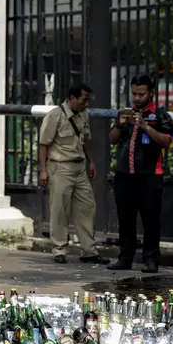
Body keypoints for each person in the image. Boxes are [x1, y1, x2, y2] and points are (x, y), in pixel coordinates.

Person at [107, 74, 173, 273]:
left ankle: (151, 259)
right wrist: (120, 124)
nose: (137, 98)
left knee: (150, 219)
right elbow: (111, 139)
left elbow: (166, 142)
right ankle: (125, 257)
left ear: (151, 93)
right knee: (125, 217)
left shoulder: (161, 116)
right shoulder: (125, 113)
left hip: (149, 175)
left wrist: (145, 127)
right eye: (134, 93)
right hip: (124, 174)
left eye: (141, 94)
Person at [38, 84, 110, 265]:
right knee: (59, 210)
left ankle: (88, 250)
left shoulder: (83, 114)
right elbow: (43, 145)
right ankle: (59, 250)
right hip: (60, 167)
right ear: (72, 98)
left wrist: (90, 161)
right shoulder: (55, 116)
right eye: (84, 99)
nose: (87, 103)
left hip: (79, 169)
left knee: (87, 207)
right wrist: (43, 170)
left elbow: (84, 139)